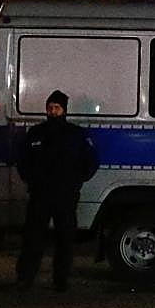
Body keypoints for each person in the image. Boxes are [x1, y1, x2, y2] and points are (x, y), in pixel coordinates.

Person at [15, 89, 99, 291]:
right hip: (40, 195)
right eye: (50, 108)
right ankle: (25, 278)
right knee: (33, 238)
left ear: (64, 110)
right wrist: (31, 180)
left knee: (65, 239)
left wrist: (76, 181)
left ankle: (61, 280)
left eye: (57, 108)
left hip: (65, 195)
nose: (53, 111)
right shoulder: (36, 133)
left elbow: (90, 162)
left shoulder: (76, 134)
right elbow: (23, 161)